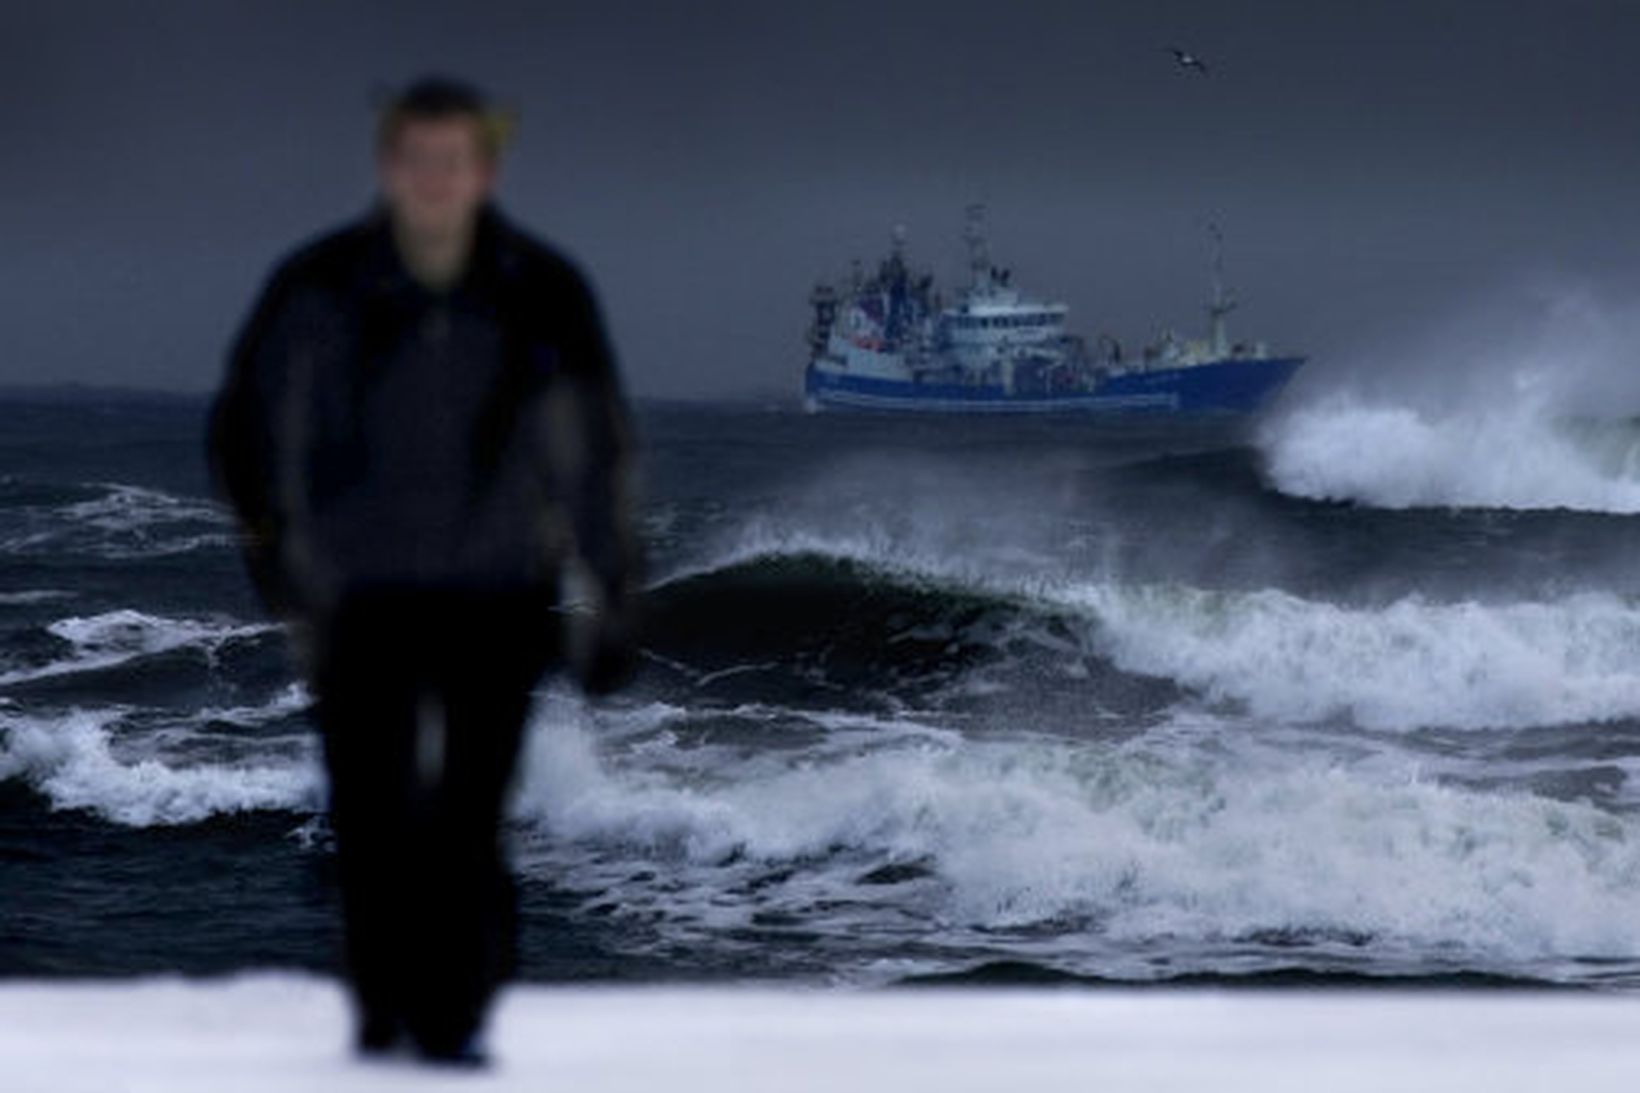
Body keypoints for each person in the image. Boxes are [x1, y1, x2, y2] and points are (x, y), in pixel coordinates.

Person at [207, 75, 638, 1066]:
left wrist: (612, 588)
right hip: (364, 603)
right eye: (417, 159)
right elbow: (242, 425)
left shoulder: (542, 287)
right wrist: (279, 562)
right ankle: (381, 1021)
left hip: (497, 599)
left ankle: (456, 1028)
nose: (436, 179)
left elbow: (593, 449)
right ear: (388, 166)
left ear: (483, 169)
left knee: (469, 826)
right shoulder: (320, 283)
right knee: (369, 821)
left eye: (455, 160)